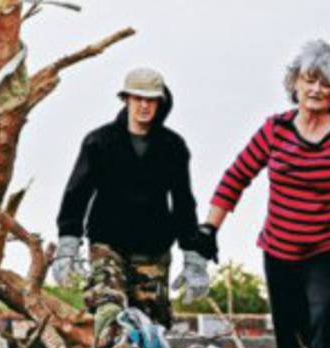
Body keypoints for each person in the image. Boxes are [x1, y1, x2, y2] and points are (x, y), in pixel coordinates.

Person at [203, 40, 330, 348]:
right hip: (279, 249)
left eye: (325, 83)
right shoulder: (276, 130)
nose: (316, 89)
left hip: (328, 248)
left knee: (323, 313)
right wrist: (209, 228)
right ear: (295, 84)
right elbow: (237, 176)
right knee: (289, 327)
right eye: (309, 80)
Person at [52, 67, 217, 333]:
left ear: (159, 103)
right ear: (126, 99)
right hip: (108, 243)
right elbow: (77, 194)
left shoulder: (172, 146)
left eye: (151, 100)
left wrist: (193, 257)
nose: (144, 106)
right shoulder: (99, 142)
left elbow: (183, 203)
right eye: (138, 98)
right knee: (108, 311)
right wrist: (67, 246)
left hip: (153, 248)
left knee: (150, 329)